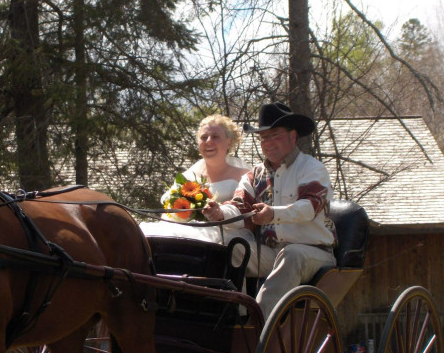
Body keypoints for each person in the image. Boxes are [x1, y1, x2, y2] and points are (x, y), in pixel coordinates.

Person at [203, 102, 337, 317]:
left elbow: (309, 207)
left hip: (313, 252)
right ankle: (235, 317)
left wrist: (273, 214)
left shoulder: (312, 168)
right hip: (271, 253)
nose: (268, 143)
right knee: (231, 246)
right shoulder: (254, 175)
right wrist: (219, 213)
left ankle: (259, 323)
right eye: (263, 138)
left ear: (293, 137)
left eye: (274, 135)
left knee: (291, 254)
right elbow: (239, 207)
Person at [140, 114, 252, 245]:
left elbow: (249, 216)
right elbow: (169, 211)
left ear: (229, 142)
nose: (208, 141)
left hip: (225, 237)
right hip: (188, 230)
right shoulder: (189, 176)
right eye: (203, 137)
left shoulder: (244, 175)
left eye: (215, 136)